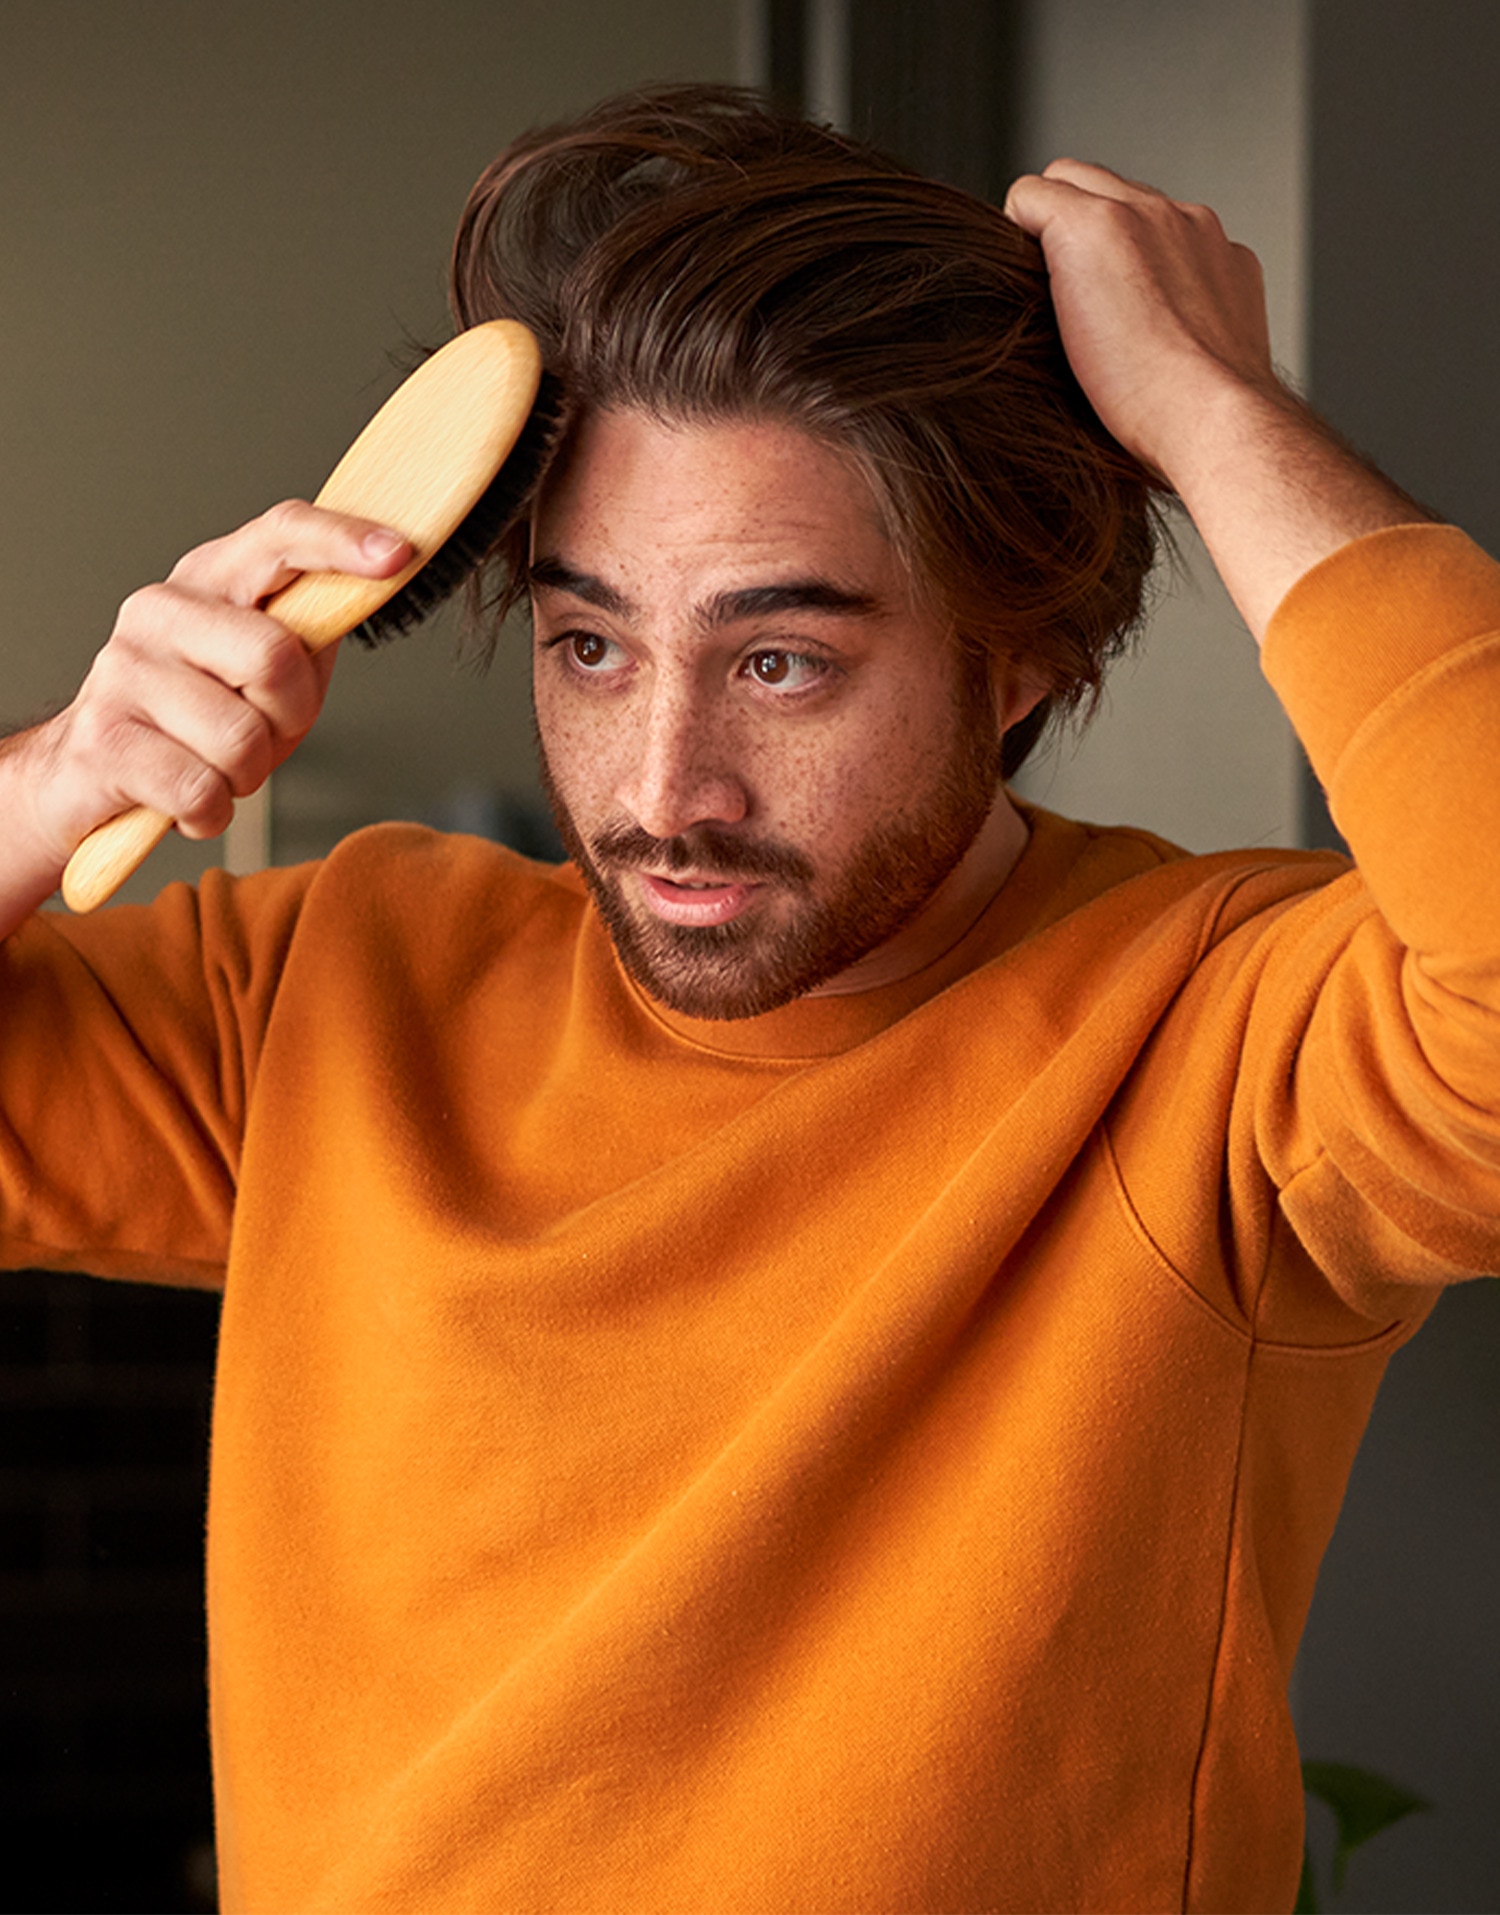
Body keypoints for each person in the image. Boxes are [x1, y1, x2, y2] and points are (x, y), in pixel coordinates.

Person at [1, 83, 1496, 1915]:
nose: (661, 785)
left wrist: (1209, 410)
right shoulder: (333, 982)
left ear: (1023, 648)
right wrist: (47, 783)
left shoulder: (1217, 1039)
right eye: (592, 645)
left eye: (781, 661)